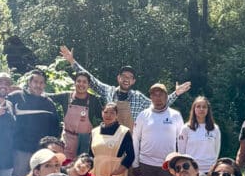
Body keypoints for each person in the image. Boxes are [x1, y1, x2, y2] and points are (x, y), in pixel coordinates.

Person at [59, 45, 191, 132]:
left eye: (130, 77)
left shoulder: (138, 97)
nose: (126, 79)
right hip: (109, 136)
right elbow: (91, 79)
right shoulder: (108, 91)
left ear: (133, 81)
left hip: (130, 140)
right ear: (118, 78)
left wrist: (176, 93)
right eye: (124, 76)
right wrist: (72, 61)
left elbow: (159, 104)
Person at [7, 69, 61, 176]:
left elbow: (55, 128)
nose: (38, 85)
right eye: (35, 82)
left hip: (41, 152)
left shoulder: (49, 103)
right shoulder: (16, 97)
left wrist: (49, 149)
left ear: (44, 85)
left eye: (41, 83)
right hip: (21, 150)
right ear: (29, 83)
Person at [132, 84, 184, 176]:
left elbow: (182, 141)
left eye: (161, 95)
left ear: (166, 97)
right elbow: (135, 139)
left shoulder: (176, 115)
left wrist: (180, 162)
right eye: (155, 95)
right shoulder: (143, 115)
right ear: (151, 97)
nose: (158, 98)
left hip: (168, 165)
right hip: (146, 164)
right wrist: (135, 164)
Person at [50, 74, 103, 161]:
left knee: (82, 165)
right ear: (74, 83)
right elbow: (47, 96)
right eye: (78, 81)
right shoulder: (66, 97)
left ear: (88, 85)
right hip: (67, 139)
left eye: (84, 82)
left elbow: (103, 117)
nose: (81, 84)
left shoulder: (94, 100)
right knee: (65, 164)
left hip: (85, 141)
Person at [90, 102, 135, 176]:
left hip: (115, 172)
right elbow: (90, 154)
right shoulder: (94, 131)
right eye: (106, 112)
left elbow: (130, 155)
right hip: (97, 171)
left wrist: (118, 172)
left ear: (117, 115)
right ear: (102, 113)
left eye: (112, 113)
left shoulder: (124, 132)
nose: (108, 115)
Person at [177, 96, 221, 176]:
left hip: (210, 170)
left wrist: (213, 166)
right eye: (198, 106)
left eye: (204, 107)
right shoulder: (186, 128)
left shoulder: (215, 128)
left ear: (208, 110)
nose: (201, 109)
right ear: (194, 109)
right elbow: (181, 152)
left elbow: (216, 151)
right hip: (191, 169)